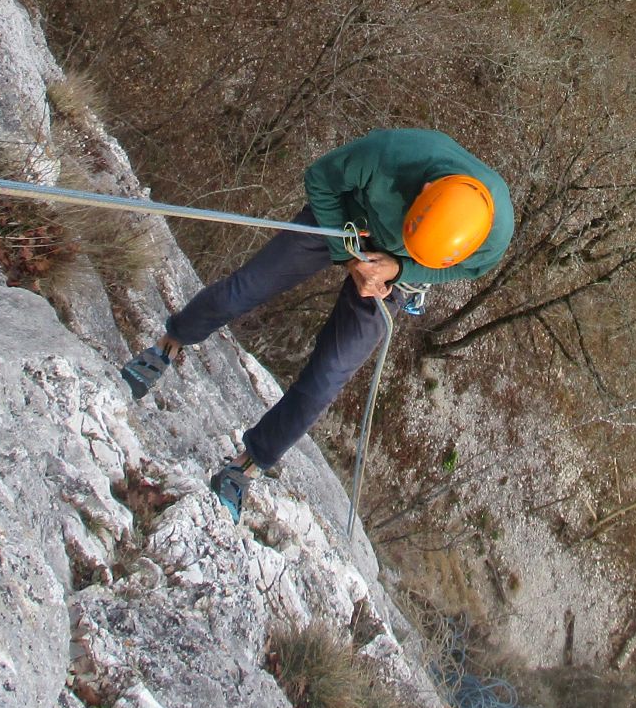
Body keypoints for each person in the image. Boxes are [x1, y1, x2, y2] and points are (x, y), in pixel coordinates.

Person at [120, 129, 513, 519]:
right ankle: (166, 347)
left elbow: (463, 269)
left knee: (329, 376)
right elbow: (321, 178)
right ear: (426, 190)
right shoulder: (390, 155)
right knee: (245, 289)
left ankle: (245, 468)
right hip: (344, 220)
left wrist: (399, 268)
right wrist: (349, 256)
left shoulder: (492, 236)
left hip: (396, 272)